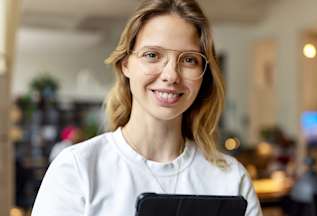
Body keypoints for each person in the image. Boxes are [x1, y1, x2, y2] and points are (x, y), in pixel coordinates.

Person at [31, 0, 262, 215]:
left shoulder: (231, 179)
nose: (171, 75)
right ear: (126, 65)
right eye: (152, 55)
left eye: (189, 59)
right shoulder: (78, 169)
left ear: (204, 76)